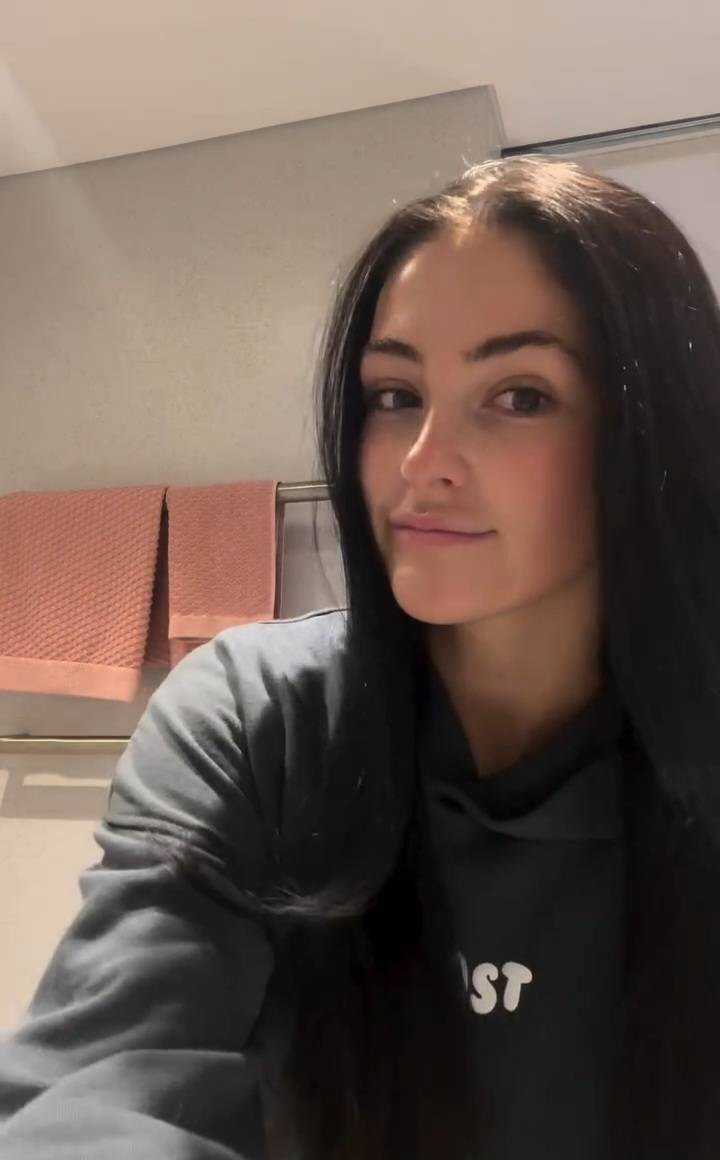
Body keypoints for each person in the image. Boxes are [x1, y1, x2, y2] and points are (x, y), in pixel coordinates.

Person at [1, 156, 719, 1160]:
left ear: (656, 434)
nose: (422, 461)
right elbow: (95, 1088)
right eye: (394, 393)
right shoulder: (259, 718)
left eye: (520, 395)